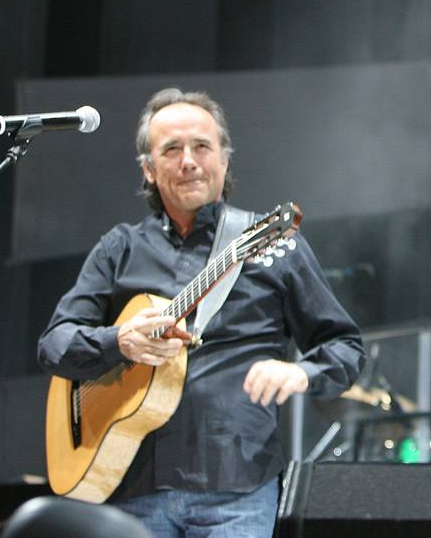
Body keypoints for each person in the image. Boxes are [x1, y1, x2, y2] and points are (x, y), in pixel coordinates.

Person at [38, 88, 365, 534]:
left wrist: (303, 372)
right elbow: (54, 343)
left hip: (237, 488)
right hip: (129, 485)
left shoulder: (276, 244)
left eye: (202, 146)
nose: (188, 160)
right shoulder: (120, 248)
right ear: (149, 170)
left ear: (224, 161)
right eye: (171, 149)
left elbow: (345, 346)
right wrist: (119, 341)